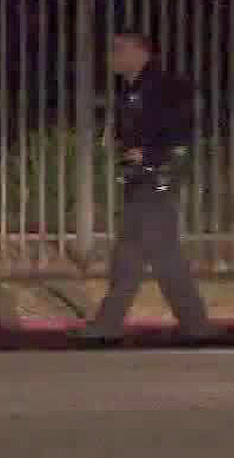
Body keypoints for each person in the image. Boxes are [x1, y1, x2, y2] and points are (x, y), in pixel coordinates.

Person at [78, 32, 218, 344]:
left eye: (119, 49)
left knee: (162, 256)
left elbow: (182, 133)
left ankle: (195, 326)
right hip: (140, 180)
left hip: (156, 179)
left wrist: (151, 156)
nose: (111, 55)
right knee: (129, 257)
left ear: (141, 52)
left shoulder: (163, 88)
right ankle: (109, 324)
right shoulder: (134, 89)